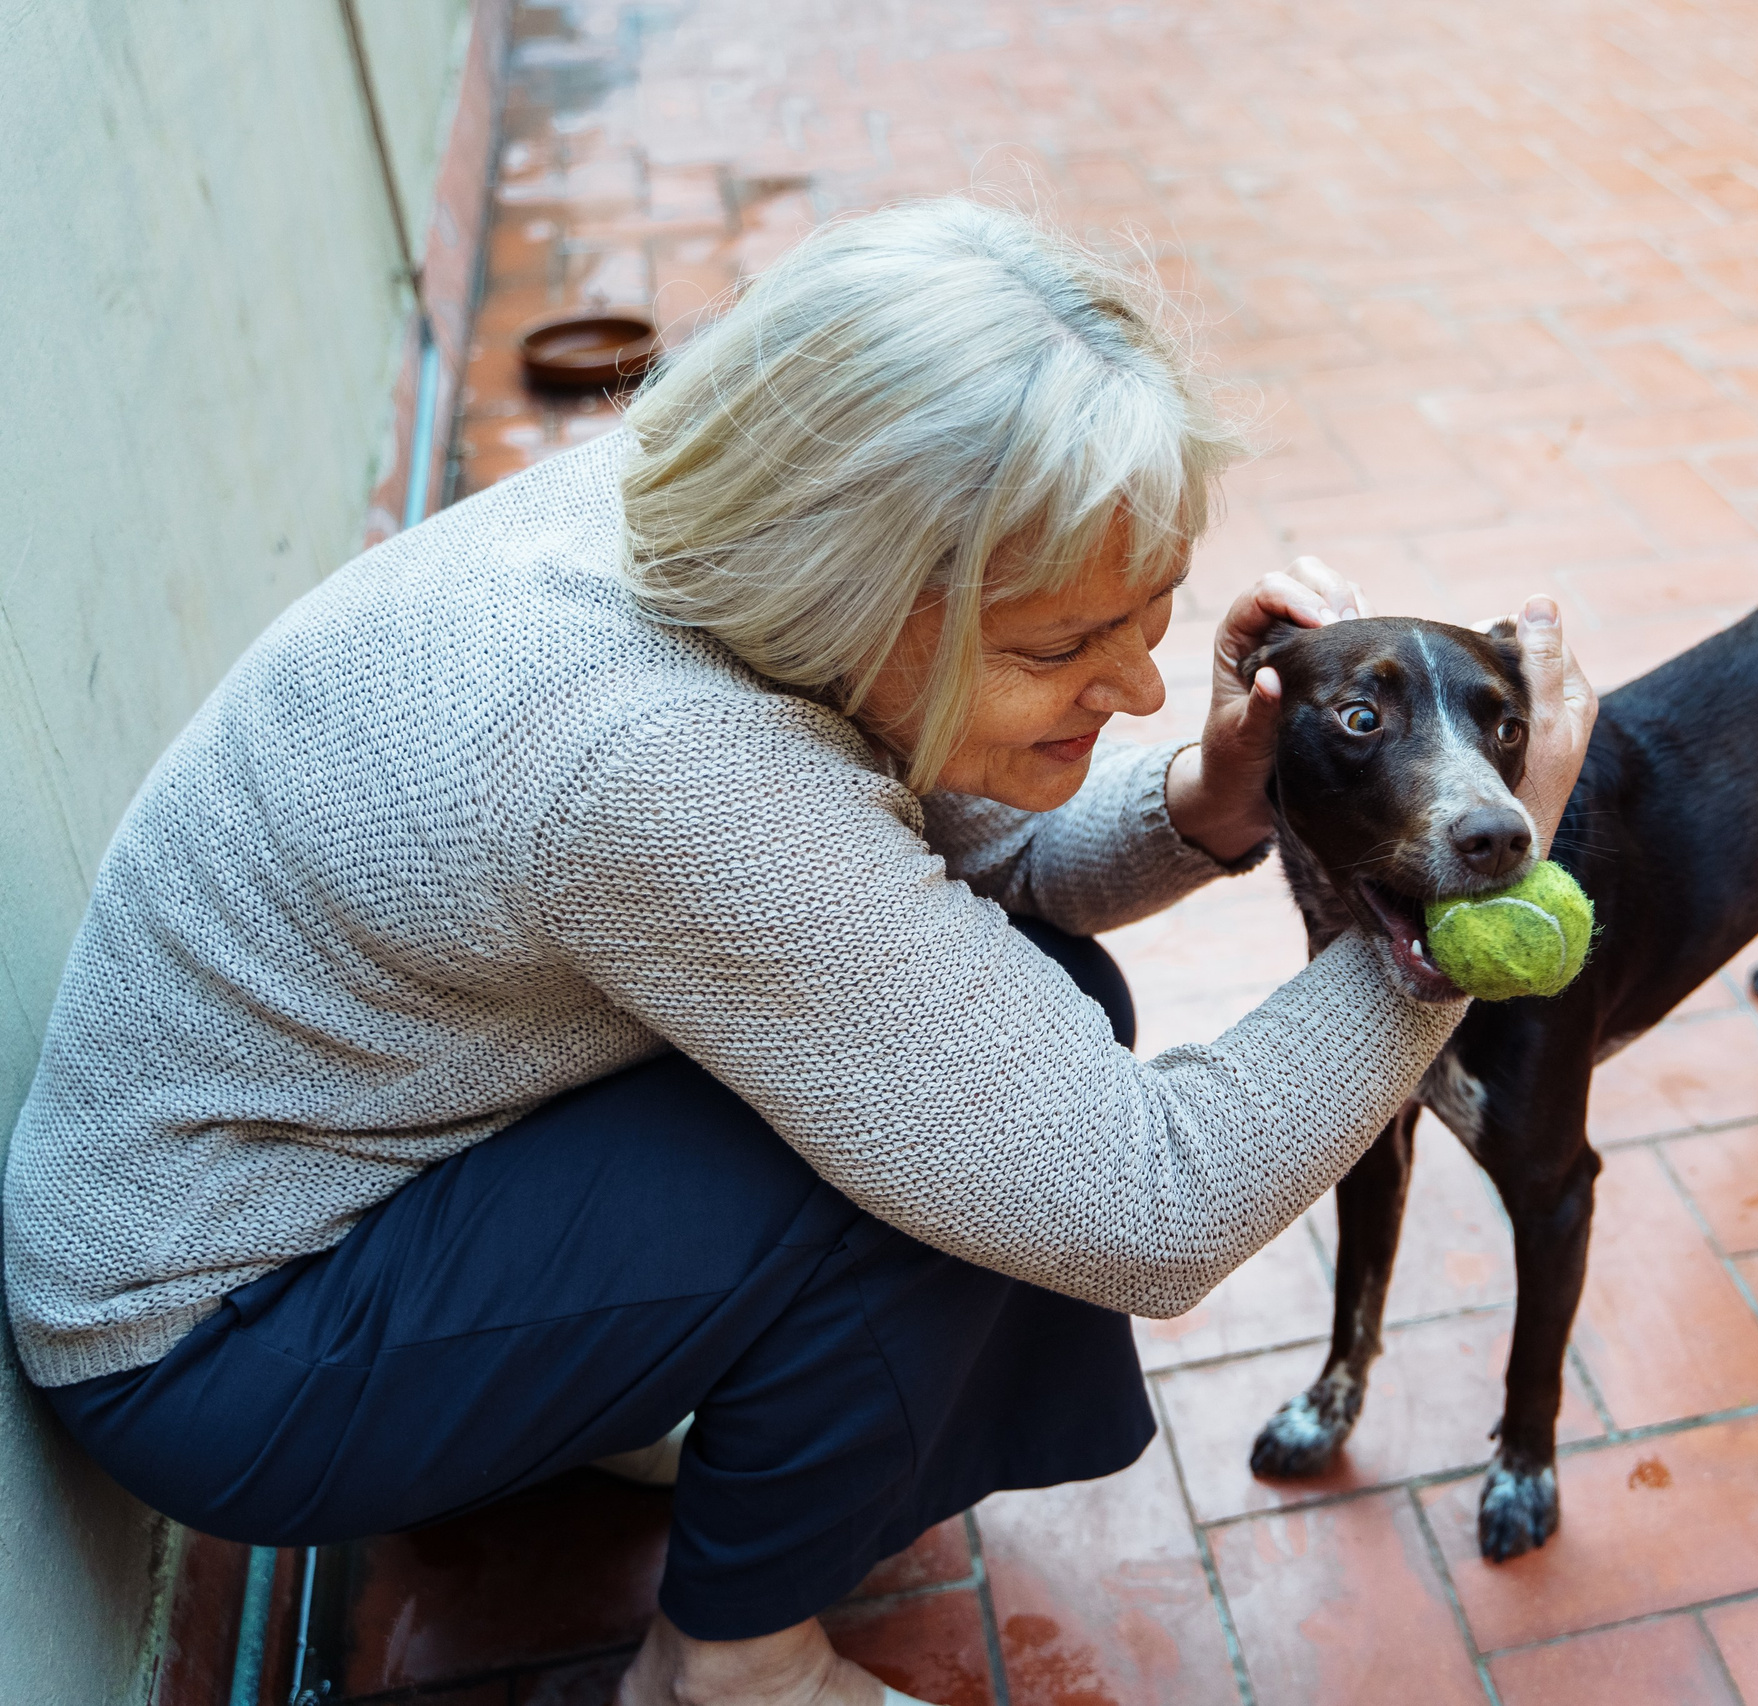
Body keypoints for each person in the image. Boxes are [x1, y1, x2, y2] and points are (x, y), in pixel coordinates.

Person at [3, 199, 1595, 1706]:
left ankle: (629, 1396)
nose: (1136, 684)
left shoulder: (717, 523)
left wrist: (1211, 796)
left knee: (1019, 1019)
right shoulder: (657, 765)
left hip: (352, 1169)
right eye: (1063, 645)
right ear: (875, 597)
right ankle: (731, 1669)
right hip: (224, 1338)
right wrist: (1455, 923)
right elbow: (1147, 1200)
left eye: (1153, 614)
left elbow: (964, 860)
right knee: (963, 1158)